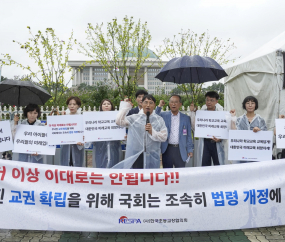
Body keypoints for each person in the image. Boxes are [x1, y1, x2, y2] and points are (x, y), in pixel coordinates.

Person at [114, 95, 167, 169]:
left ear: (154, 105)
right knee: (138, 178)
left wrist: (152, 132)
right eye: (145, 102)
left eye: (151, 103)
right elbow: (119, 121)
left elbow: (164, 137)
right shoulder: (135, 118)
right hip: (137, 154)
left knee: (151, 178)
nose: (148, 105)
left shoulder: (159, 119)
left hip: (152, 155)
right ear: (142, 104)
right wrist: (126, 107)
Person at [155, 95, 194, 168]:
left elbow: (189, 136)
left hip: (180, 149)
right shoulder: (163, 115)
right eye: (171, 102)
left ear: (180, 104)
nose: (173, 104)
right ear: (169, 104)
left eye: (176, 102)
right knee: (167, 173)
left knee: (180, 174)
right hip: (167, 149)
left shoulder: (185, 118)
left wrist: (190, 149)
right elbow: (154, 117)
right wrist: (159, 106)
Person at [191, 91, 225, 166]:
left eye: (211, 100)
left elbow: (225, 129)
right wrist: (193, 113)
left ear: (216, 101)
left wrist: (220, 138)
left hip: (217, 142)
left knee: (219, 164)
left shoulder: (221, 114)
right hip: (205, 142)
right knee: (204, 164)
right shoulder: (201, 114)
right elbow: (194, 127)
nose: (209, 102)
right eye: (207, 100)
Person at [230, 96, 267, 163]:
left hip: (256, 153)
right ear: (244, 105)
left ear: (256, 105)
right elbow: (234, 133)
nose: (250, 105)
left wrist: (259, 131)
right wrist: (232, 118)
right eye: (247, 103)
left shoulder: (260, 120)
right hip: (241, 152)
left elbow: (265, 137)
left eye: (252, 103)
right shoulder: (239, 119)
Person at [92, 99, 121, 168]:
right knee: (101, 168)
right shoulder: (96, 119)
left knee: (114, 168)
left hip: (114, 147)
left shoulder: (117, 118)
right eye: (104, 104)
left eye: (108, 104)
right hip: (100, 148)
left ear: (111, 106)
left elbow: (120, 131)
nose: (106, 105)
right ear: (101, 106)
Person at [60, 96, 86, 167]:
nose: (72, 106)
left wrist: (83, 140)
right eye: (70, 104)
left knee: (77, 168)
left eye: (74, 104)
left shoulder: (82, 118)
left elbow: (85, 133)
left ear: (78, 106)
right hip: (66, 146)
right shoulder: (64, 117)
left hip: (78, 146)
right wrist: (62, 118)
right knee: (65, 168)